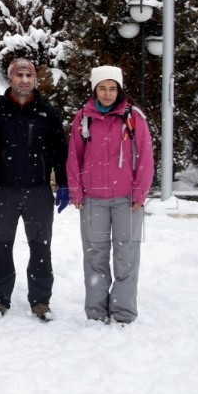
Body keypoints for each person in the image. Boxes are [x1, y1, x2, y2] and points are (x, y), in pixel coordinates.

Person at [66, 66, 153, 324]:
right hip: (93, 199)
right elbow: (75, 156)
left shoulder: (133, 117)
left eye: (112, 88)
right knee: (95, 256)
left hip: (127, 200)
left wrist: (140, 192)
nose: (107, 93)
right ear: (95, 89)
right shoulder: (84, 117)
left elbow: (145, 155)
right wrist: (76, 192)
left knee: (126, 256)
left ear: (120, 89)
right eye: (102, 88)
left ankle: (123, 312)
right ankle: (96, 312)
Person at [0, 58, 69, 320]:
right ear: (10, 78)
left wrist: (64, 183)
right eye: (19, 75)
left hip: (38, 191)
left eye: (29, 75)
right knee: (0, 246)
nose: (24, 79)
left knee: (40, 247)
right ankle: (0, 299)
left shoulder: (48, 113)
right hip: (3, 189)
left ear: (35, 79)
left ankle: (41, 300)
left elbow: (60, 152)